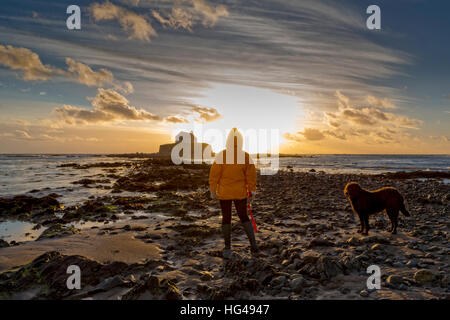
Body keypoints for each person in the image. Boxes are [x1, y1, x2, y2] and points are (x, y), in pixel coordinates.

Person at [209, 128, 258, 258]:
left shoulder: (222, 155)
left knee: (226, 218)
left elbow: (214, 174)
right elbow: (251, 176)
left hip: (224, 193)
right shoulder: (245, 156)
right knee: (244, 216)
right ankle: (253, 245)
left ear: (228, 140)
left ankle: (227, 247)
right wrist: (251, 192)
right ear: (241, 141)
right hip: (240, 192)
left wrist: (213, 189)